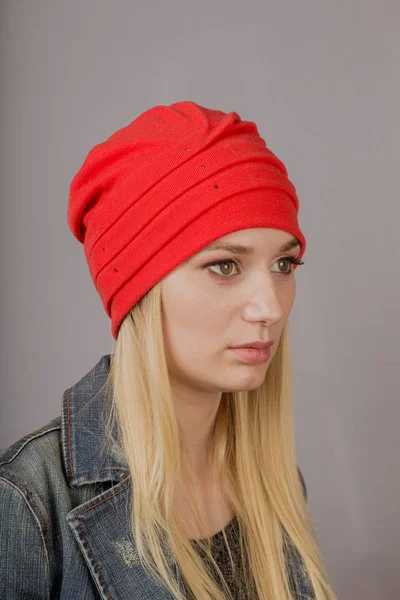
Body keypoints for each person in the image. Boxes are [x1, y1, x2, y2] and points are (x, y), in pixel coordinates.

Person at [0, 101, 337, 599]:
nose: (270, 307)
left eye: (284, 265)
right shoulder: (30, 501)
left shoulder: (275, 482)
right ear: (139, 289)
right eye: (224, 265)